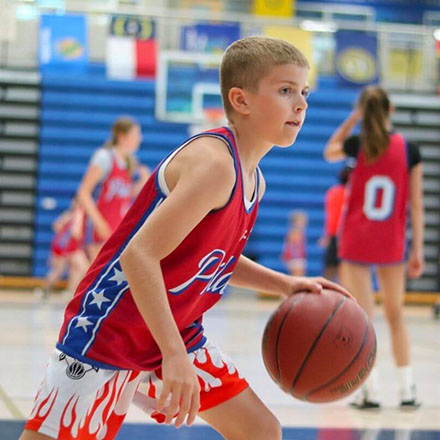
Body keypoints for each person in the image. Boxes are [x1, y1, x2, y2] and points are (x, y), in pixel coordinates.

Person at [20, 36, 352, 440]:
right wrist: (174, 355)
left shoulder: (253, 180)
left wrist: (284, 284)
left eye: (304, 92)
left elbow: (212, 259)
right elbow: (138, 256)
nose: (300, 104)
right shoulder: (214, 165)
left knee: (261, 431)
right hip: (111, 334)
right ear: (241, 100)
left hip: (172, 332)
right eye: (285, 90)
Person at [324, 86, 424, 410]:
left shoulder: (357, 144)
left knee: (364, 320)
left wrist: (353, 118)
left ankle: (371, 392)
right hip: (391, 240)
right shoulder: (409, 148)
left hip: (356, 239)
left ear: (364, 111)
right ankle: (408, 391)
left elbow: (329, 151)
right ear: (391, 109)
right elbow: (417, 205)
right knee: (396, 316)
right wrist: (417, 249)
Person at [78, 117, 150, 261]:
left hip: (117, 225)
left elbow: (125, 195)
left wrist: (144, 181)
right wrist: (98, 222)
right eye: (136, 134)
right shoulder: (104, 157)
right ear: (122, 137)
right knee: (95, 275)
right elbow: (83, 193)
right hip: (100, 225)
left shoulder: (129, 162)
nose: (140, 139)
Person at [35, 198, 89, 301]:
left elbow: (56, 226)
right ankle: (68, 292)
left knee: (68, 270)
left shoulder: (68, 214)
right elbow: (76, 232)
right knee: (84, 268)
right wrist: (80, 239)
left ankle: (52, 291)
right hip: (72, 247)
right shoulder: (79, 212)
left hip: (60, 245)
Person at [318, 165, 352, 282]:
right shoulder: (351, 193)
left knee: (329, 269)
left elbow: (330, 216)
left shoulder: (332, 192)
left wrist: (326, 235)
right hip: (345, 236)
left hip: (334, 234)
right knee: (344, 269)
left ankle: (323, 292)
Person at [282, 210, 308, 276]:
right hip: (294, 258)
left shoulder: (301, 233)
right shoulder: (294, 233)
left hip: (299, 258)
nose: (303, 224)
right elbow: (290, 247)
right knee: (296, 277)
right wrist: (287, 256)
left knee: (300, 276)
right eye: (301, 222)